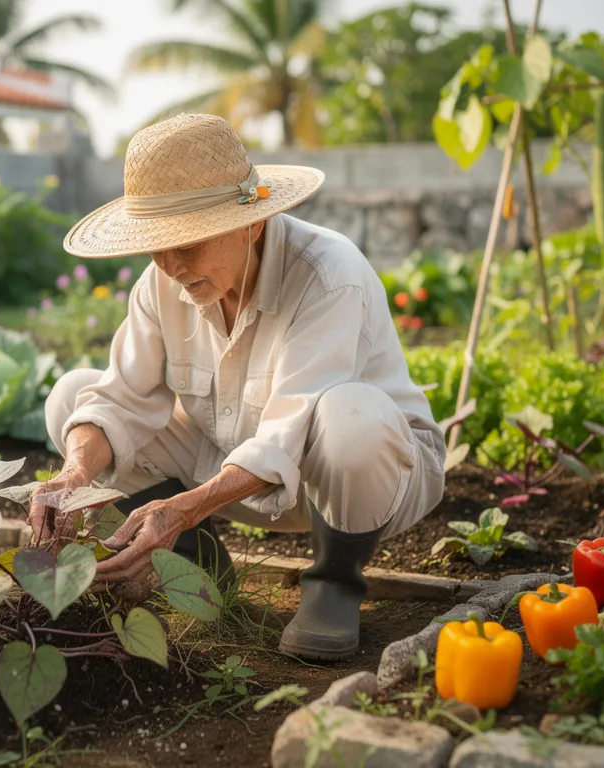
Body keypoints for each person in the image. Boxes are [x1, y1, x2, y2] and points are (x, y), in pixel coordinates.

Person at [31, 113, 447, 661]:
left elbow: (287, 431)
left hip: (360, 481)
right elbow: (120, 398)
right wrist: (73, 473)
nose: (172, 265)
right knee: (73, 399)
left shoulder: (327, 273)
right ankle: (197, 564)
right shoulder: (163, 283)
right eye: (158, 245)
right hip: (238, 471)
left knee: (351, 415)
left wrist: (182, 507)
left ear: (251, 223)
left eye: (190, 244)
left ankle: (335, 580)